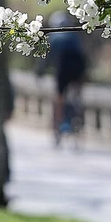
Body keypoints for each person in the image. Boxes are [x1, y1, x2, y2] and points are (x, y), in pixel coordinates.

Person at [39, 12, 88, 145]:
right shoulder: (75, 36)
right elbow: (82, 54)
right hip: (78, 69)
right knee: (77, 96)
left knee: (59, 99)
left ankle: (58, 126)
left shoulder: (53, 37)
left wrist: (40, 72)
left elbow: (46, 59)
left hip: (62, 69)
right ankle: (78, 116)